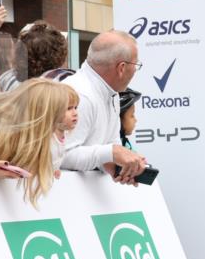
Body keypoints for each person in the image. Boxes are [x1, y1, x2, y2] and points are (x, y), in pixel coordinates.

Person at [61, 30, 147, 184]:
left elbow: (104, 149)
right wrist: (112, 152)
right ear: (121, 68)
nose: (135, 70)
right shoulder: (80, 95)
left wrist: (119, 166)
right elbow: (62, 156)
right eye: (136, 64)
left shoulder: (109, 92)